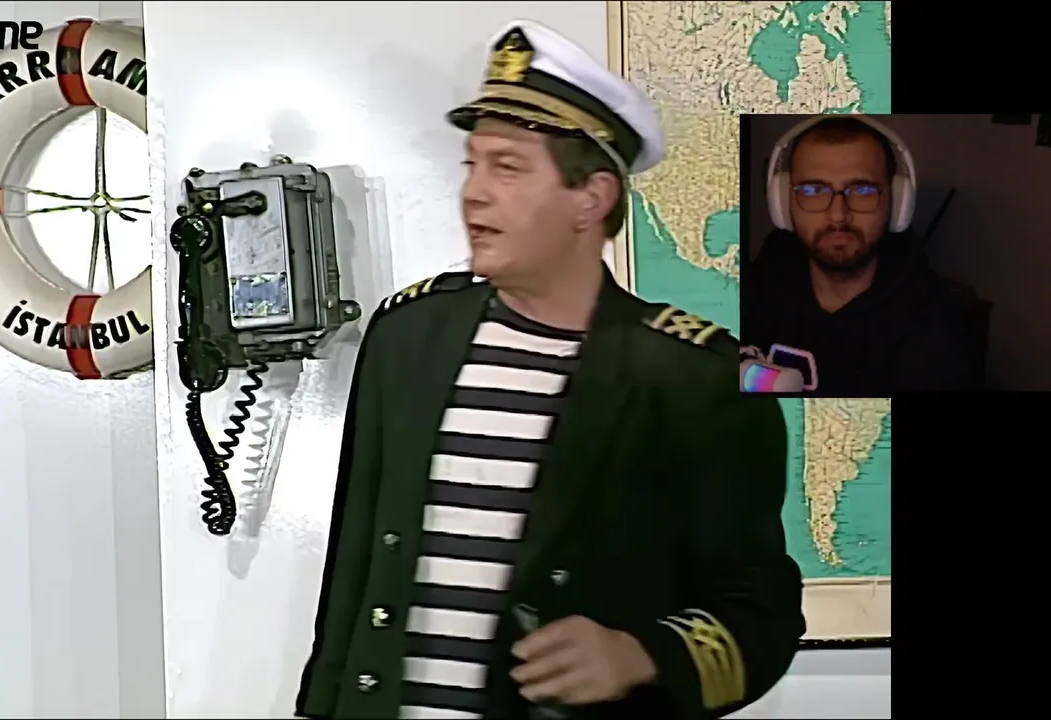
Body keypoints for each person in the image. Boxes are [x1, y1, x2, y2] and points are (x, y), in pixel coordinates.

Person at [296, 19, 804, 720]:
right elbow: (353, 570)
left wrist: (641, 655)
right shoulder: (408, 335)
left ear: (590, 198)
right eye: (473, 164)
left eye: (507, 168)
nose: (474, 193)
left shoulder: (695, 376)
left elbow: (761, 613)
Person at [743, 115, 978, 394]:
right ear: (782, 202)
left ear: (898, 202)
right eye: (813, 190)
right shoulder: (742, 296)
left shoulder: (936, 326)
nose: (838, 215)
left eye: (863, 190)